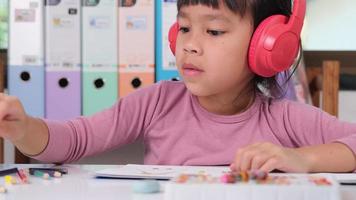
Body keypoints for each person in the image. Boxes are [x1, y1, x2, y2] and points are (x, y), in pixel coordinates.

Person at [1, 0, 356, 173]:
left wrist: (300, 158)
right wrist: (23, 128)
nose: (189, 44)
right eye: (184, 28)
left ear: (266, 46)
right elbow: (73, 140)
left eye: (214, 31)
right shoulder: (156, 102)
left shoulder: (284, 119)